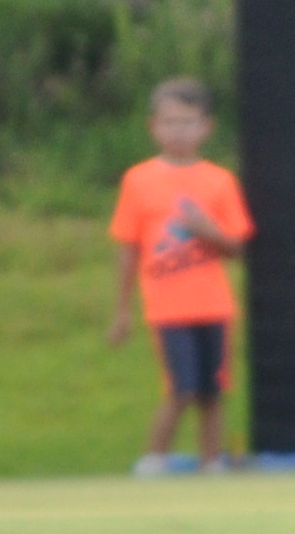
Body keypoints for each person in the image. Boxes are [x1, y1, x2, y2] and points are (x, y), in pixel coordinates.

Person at [108, 76, 255, 471]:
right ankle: (154, 461)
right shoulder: (139, 180)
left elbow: (238, 247)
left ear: (206, 127)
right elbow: (128, 247)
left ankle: (211, 462)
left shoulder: (219, 182)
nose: (179, 131)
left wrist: (209, 231)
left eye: (188, 122)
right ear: (153, 126)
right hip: (168, 307)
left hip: (212, 304)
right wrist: (122, 310)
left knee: (214, 389)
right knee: (181, 388)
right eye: (170, 122)